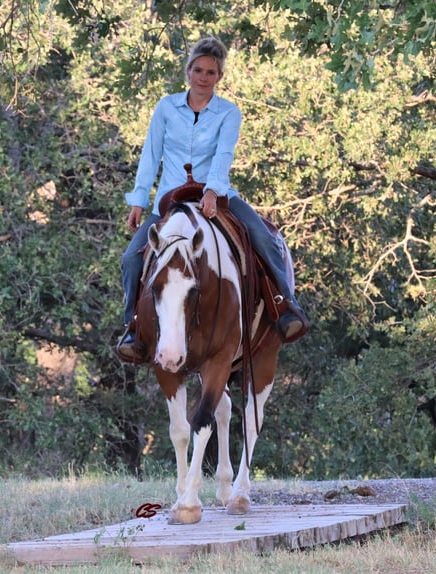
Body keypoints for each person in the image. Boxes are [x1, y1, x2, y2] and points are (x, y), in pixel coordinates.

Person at [117, 36, 308, 361]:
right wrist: (139, 200)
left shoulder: (228, 113)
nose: (203, 77)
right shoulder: (166, 107)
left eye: (211, 72)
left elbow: (224, 155)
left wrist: (212, 190)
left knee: (262, 235)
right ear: (188, 71)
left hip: (217, 196)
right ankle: (133, 328)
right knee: (131, 258)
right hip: (169, 198)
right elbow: (150, 154)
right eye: (198, 70)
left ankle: (284, 305)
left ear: (219, 77)